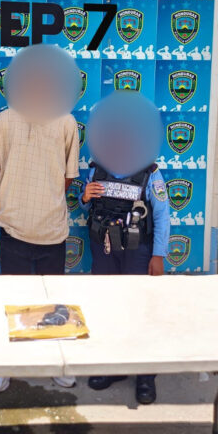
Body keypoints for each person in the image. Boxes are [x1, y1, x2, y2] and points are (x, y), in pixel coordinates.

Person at [0, 85, 80, 393]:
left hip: (52, 230)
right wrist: (13, 199)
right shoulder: (1, 121)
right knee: (14, 301)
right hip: (14, 227)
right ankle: (7, 367)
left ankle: (56, 364)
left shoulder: (66, 122)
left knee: (53, 305)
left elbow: (69, 176)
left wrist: (47, 200)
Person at [79, 157, 170, 404]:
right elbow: (85, 207)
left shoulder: (150, 172)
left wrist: (158, 255)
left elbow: (162, 215)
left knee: (140, 311)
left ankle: (145, 376)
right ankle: (112, 367)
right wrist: (85, 197)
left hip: (137, 251)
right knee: (108, 309)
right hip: (104, 249)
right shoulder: (97, 169)